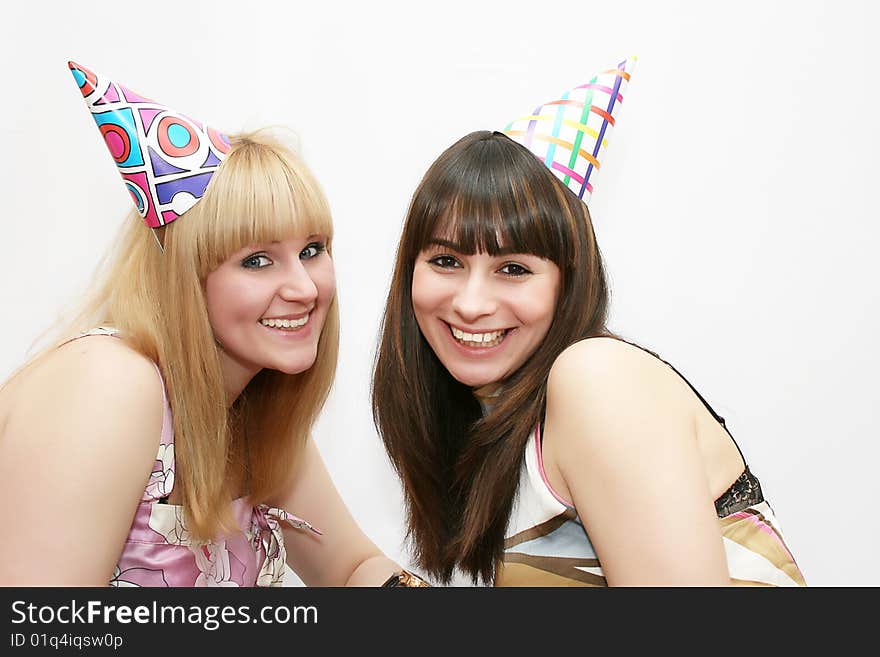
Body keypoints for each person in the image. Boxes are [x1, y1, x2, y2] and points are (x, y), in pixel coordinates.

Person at [371, 58, 806, 586]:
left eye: (513, 268)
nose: (471, 302)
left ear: (567, 282)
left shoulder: (596, 378)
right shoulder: (501, 424)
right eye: (446, 262)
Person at [0, 60, 427, 587]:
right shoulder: (110, 382)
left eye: (312, 250)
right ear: (185, 277)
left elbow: (353, 568)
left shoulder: (255, 413)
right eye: (257, 260)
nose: (305, 287)